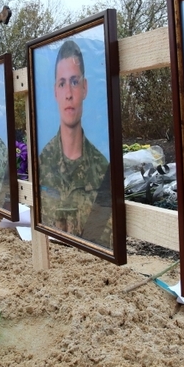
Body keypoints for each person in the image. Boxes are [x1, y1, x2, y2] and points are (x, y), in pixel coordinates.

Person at [37, 39, 112, 246]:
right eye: (62, 83)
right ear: (55, 91)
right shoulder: (41, 163)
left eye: (74, 82)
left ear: (85, 88)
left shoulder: (102, 170)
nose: (69, 94)